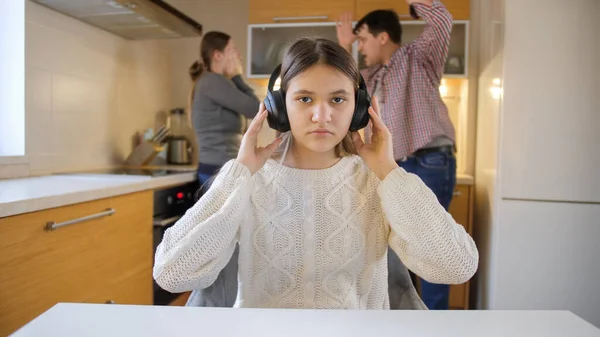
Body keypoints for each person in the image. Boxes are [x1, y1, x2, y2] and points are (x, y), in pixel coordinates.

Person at [153, 37, 478, 310]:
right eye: (304, 98)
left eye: (338, 99)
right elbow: (171, 273)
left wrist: (389, 171)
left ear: (360, 109)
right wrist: (238, 174)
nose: (321, 115)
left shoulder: (378, 182)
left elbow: (457, 266)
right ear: (279, 109)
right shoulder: (249, 179)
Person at [336, 0, 458, 310]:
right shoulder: (371, 75)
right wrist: (344, 46)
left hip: (430, 160)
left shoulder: (418, 57)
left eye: (362, 39)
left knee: (430, 247)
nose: (360, 47)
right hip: (396, 166)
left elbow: (442, 19)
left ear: (382, 37)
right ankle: (406, 322)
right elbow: (344, 84)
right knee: (395, 251)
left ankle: (433, 328)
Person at [185, 31, 260, 307]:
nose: (237, 56)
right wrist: (239, 74)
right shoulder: (213, 82)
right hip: (218, 171)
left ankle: (222, 305)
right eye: (232, 50)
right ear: (218, 55)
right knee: (221, 246)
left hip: (220, 169)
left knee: (225, 243)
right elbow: (256, 107)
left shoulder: (212, 83)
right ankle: (213, 308)